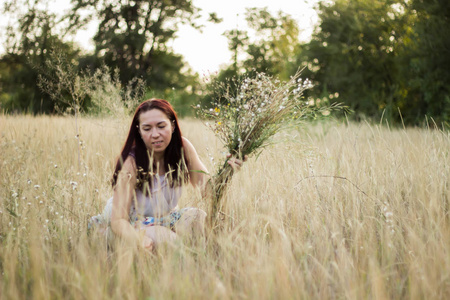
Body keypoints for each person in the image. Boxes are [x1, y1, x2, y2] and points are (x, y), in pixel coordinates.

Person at [90, 99, 245, 252]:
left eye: (161, 126)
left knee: (199, 218)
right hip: (131, 224)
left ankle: (200, 260)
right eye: (147, 128)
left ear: (172, 125)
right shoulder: (131, 163)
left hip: (166, 218)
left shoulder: (183, 149)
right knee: (171, 242)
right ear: (139, 131)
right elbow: (118, 221)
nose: (155, 134)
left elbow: (209, 191)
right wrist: (139, 239)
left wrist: (228, 171)